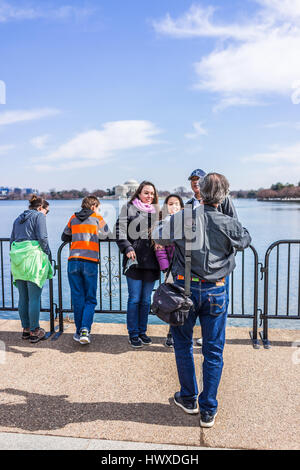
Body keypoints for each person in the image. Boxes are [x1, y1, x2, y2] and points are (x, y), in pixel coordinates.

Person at [153, 173, 251, 428]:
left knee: (183, 345)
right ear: (224, 195)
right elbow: (244, 240)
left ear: (200, 191)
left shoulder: (183, 217)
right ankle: (208, 409)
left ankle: (188, 398)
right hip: (216, 290)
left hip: (184, 290)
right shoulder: (228, 222)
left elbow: (158, 236)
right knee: (214, 350)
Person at [115, 181, 160, 348]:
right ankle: (133, 333)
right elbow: (119, 230)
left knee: (146, 300)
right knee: (134, 299)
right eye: (146, 193)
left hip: (152, 262)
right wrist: (127, 247)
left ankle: (142, 331)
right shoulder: (129, 208)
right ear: (139, 193)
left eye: (152, 193)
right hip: (134, 261)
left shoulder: (157, 212)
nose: (149, 196)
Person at [61, 196, 110, 345]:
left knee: (77, 298)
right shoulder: (97, 217)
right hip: (90, 262)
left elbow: (64, 236)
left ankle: (78, 332)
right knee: (90, 299)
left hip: (73, 261)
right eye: (98, 207)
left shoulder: (73, 218)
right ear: (94, 206)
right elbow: (108, 234)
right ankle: (85, 329)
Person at [10, 195, 53, 343]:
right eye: (47, 212)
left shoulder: (17, 219)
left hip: (18, 260)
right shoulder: (39, 216)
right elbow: (42, 237)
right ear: (41, 208)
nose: (46, 215)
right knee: (34, 297)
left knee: (23, 297)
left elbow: (12, 240)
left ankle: (26, 330)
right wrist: (48, 253)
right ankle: (35, 331)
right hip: (32, 259)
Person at [155, 194, 184, 348]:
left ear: (182, 207)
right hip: (172, 271)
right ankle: (172, 334)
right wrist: (166, 268)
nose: (174, 207)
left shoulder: (186, 223)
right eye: (170, 204)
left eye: (177, 204)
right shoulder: (162, 225)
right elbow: (159, 249)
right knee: (174, 303)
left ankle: (187, 334)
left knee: (189, 304)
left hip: (188, 270)